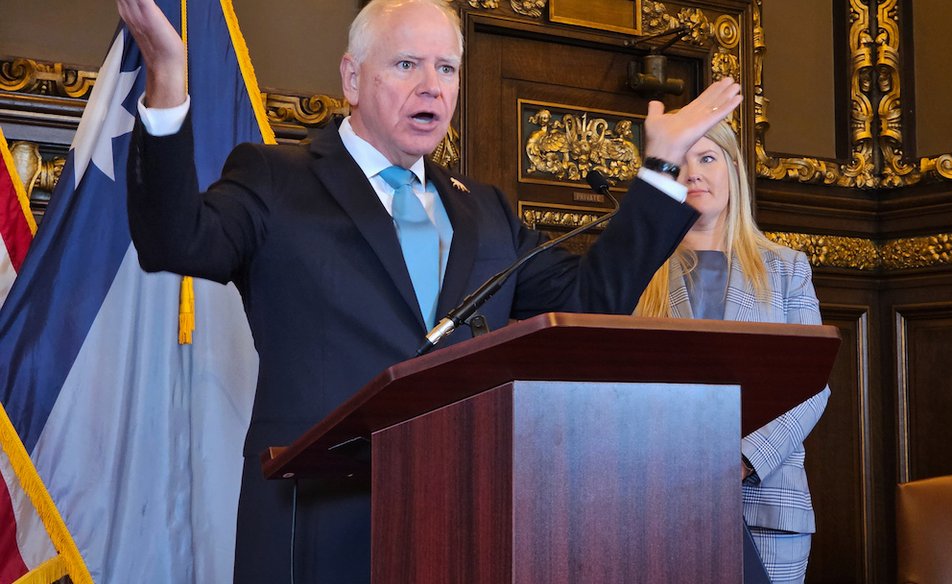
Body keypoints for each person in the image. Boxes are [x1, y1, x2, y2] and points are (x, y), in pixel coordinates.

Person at [117, 0, 742, 580]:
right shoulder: (277, 179)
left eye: (446, 68)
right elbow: (175, 241)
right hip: (316, 518)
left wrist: (658, 167)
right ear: (353, 79)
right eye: (407, 64)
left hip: (466, 523)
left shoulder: (487, 211)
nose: (432, 86)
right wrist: (167, 80)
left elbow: (587, 303)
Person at [634, 120, 829, 584]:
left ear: (734, 169)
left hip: (770, 509)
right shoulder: (638, 274)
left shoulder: (786, 268)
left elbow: (812, 385)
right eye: (680, 163)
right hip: (661, 506)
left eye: (707, 159)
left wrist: (745, 458)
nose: (693, 174)